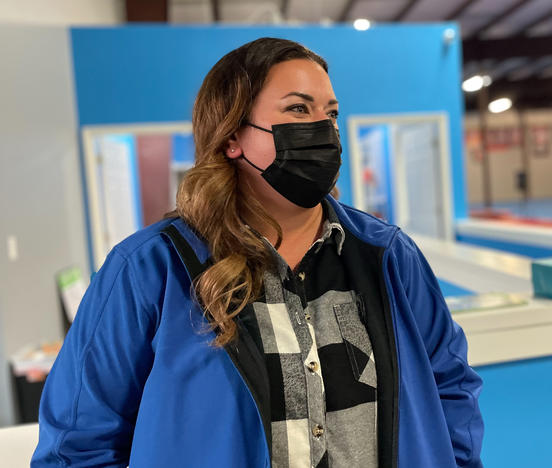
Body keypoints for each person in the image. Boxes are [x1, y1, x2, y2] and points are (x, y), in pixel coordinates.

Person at [32, 37, 484, 468]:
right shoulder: (151, 268)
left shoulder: (388, 255)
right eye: (297, 109)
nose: (323, 130)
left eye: (330, 113)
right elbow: (77, 445)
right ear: (232, 137)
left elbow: (451, 387)